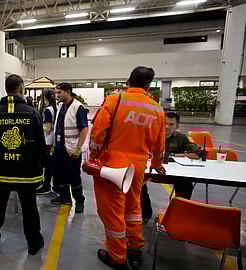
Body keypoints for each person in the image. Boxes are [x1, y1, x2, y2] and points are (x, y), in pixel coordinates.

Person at [89, 66, 166, 270]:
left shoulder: (115, 101)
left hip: (113, 165)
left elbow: (98, 133)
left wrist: (94, 158)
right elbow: (159, 147)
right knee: (133, 209)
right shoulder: (157, 109)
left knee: (113, 212)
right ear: (148, 85)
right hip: (139, 165)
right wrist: (157, 165)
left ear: (128, 81)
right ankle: (135, 250)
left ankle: (117, 257)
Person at [0, 74, 47, 255]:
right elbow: (40, 146)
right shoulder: (32, 113)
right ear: (21, 89)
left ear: (6, 89)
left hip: (1, 171)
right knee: (30, 208)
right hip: (27, 172)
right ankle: (34, 244)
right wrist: (43, 163)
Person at [141, 111, 199, 216]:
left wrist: (176, 155)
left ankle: (179, 212)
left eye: (171, 124)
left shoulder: (181, 138)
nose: (167, 127)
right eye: (165, 123)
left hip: (174, 175)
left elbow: (197, 154)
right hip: (152, 172)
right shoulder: (151, 134)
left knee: (186, 183)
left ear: (177, 126)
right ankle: (145, 211)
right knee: (137, 182)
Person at [50, 82, 88, 213]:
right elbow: (57, 127)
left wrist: (78, 149)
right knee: (60, 175)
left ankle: (79, 200)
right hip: (59, 148)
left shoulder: (78, 107)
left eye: (59, 93)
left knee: (74, 176)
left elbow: (84, 129)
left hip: (72, 149)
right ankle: (65, 197)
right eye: (56, 93)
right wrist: (54, 146)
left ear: (67, 92)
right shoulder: (61, 106)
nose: (57, 95)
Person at [36, 89, 57, 195]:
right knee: (51, 165)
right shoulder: (55, 108)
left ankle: (46, 185)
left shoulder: (48, 110)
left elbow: (48, 128)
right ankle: (49, 185)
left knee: (48, 165)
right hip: (53, 140)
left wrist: (38, 128)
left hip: (48, 140)